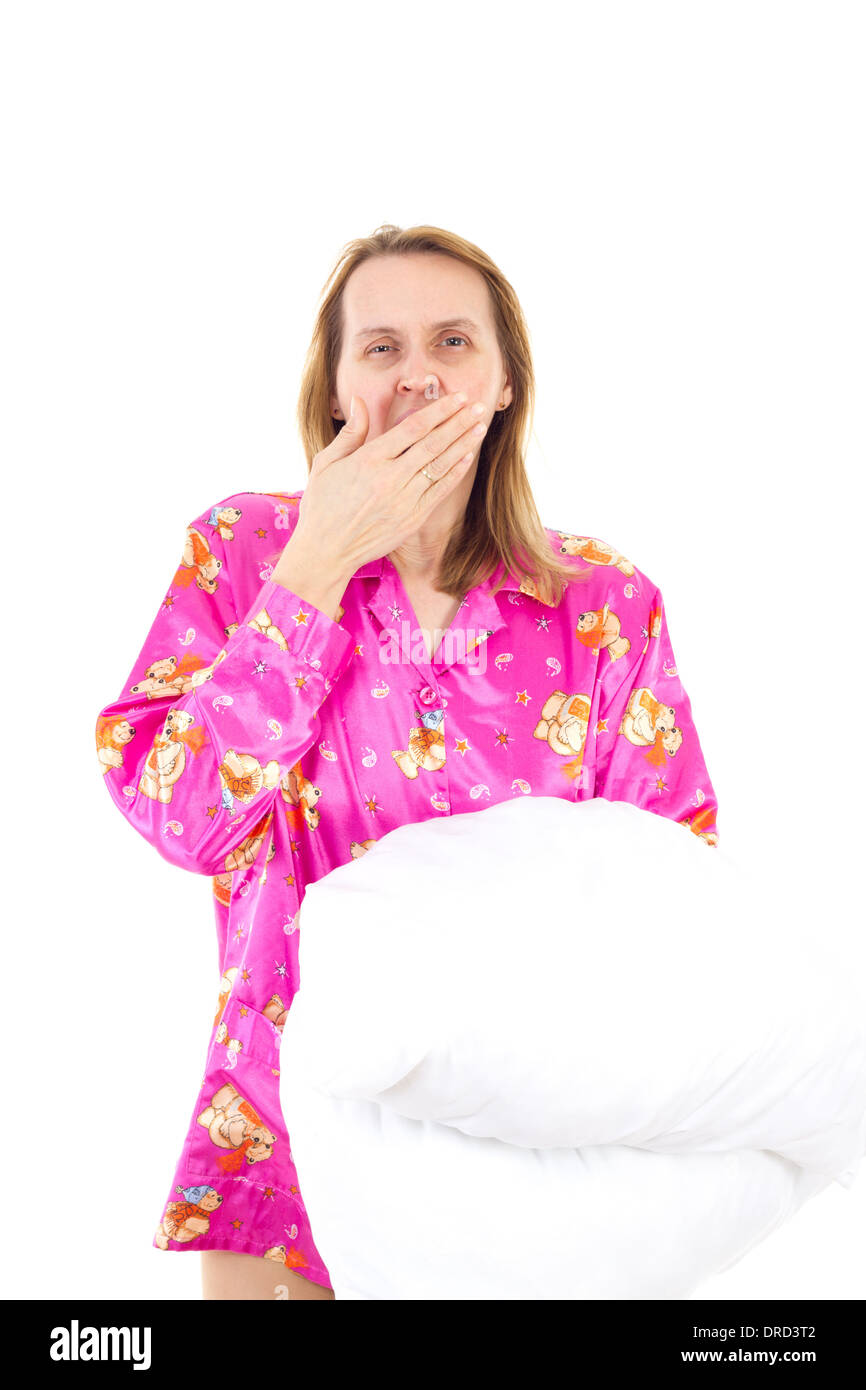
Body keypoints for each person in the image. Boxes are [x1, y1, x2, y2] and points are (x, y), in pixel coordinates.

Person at [95, 223, 720, 1300]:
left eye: (451, 341)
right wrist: (317, 567)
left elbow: (666, 898)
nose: (417, 372)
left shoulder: (605, 605)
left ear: (505, 382)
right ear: (337, 388)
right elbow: (178, 816)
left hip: (521, 1155)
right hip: (284, 1137)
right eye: (379, 348)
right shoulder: (244, 553)